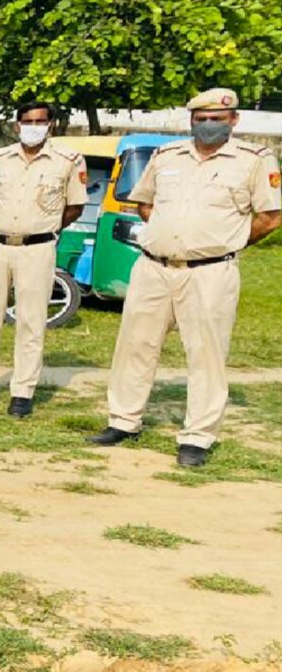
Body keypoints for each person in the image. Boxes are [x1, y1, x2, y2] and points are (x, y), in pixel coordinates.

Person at [87, 88, 281, 467]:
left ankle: (197, 437)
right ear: (191, 120)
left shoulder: (254, 160)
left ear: (234, 120)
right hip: (153, 268)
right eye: (201, 119)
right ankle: (123, 420)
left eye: (217, 119)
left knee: (206, 354)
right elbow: (145, 203)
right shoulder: (166, 155)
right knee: (135, 346)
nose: (208, 125)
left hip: (210, 272)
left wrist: (226, 242)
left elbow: (270, 217)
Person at [0, 102, 87, 418]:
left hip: (37, 248)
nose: (33, 127)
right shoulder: (0, 158)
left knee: (31, 319)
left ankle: (23, 391)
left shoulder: (68, 160)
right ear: (17, 125)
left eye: (40, 121)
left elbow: (75, 206)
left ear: (51, 125)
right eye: (27, 121)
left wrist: (45, 227)